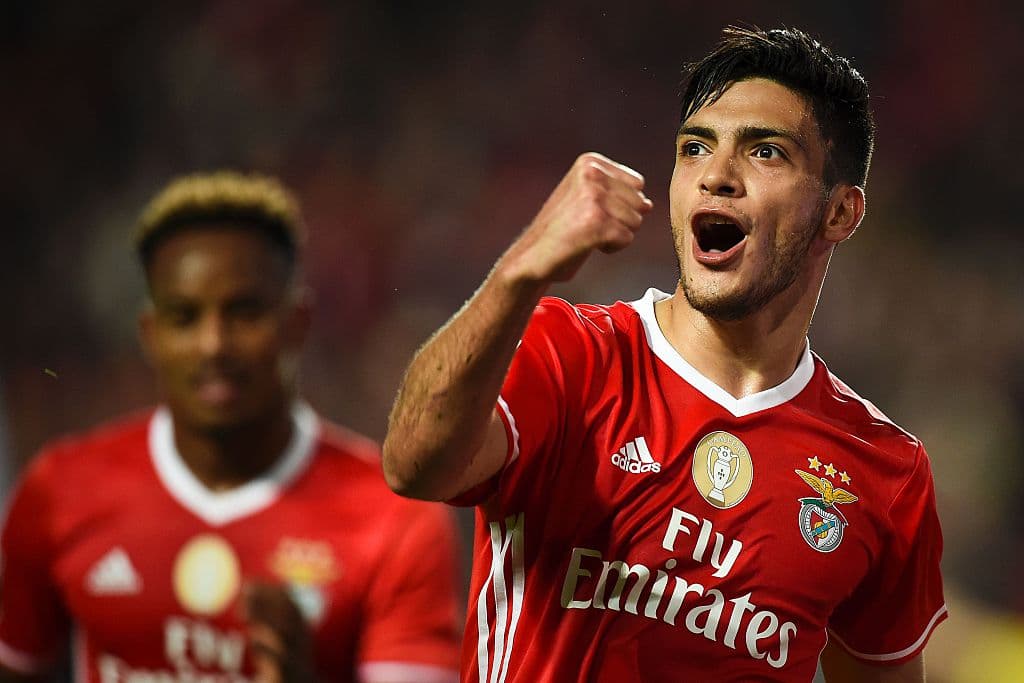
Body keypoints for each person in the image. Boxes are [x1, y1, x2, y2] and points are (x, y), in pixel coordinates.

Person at [381, 26, 946, 682]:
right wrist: (519, 273)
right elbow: (411, 463)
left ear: (840, 213)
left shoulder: (885, 472)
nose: (717, 176)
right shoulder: (568, 352)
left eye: (765, 152)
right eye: (695, 147)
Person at [0, 172, 462, 682]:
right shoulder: (60, 493)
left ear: (297, 324)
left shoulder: (393, 517)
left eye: (244, 313)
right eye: (184, 317)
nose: (213, 345)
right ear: (150, 335)